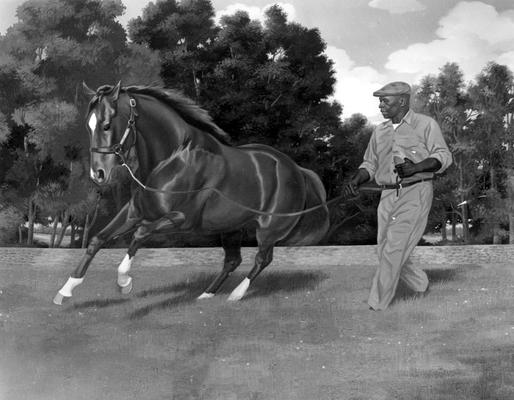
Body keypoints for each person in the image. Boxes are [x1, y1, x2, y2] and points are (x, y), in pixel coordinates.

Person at [344, 81, 452, 311]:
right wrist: (357, 179)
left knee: (393, 249)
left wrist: (417, 167)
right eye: (380, 101)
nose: (381, 105)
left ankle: (377, 305)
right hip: (387, 196)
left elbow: (443, 156)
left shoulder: (425, 124)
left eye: (385, 100)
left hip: (416, 192)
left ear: (402, 101)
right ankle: (420, 284)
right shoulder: (380, 131)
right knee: (384, 249)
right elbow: (369, 164)